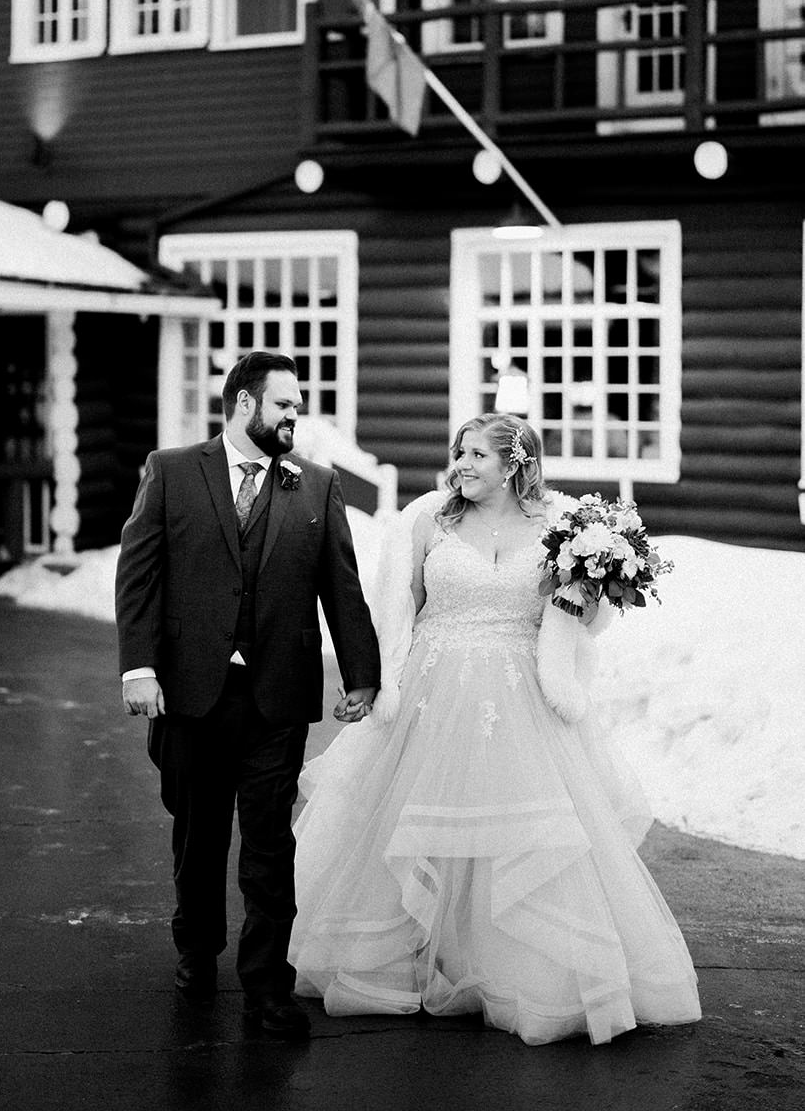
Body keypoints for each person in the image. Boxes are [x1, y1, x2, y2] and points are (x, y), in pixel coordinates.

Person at [289, 412, 701, 1046]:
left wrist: (587, 597)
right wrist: (376, 686)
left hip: (521, 697)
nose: (461, 465)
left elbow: (579, 627)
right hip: (434, 691)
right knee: (419, 826)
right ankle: (422, 960)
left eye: (477, 454)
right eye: (458, 452)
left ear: (515, 463)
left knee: (521, 835)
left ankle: (506, 971)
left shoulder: (563, 528)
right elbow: (393, 613)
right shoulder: (427, 520)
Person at [115, 351, 381, 1038]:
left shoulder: (314, 485)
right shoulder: (172, 471)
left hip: (277, 695)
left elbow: (340, 589)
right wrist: (138, 669)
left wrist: (361, 674)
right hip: (189, 692)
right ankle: (196, 952)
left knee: (268, 847)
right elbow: (138, 575)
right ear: (242, 405)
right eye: (284, 404)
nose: (296, 415)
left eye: (297, 404)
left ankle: (267, 986)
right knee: (197, 837)